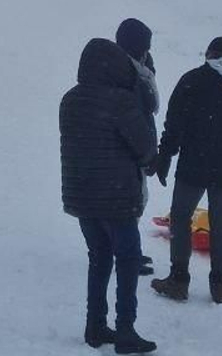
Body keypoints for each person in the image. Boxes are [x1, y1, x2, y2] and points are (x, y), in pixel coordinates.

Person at [59, 38, 158, 355]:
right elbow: (145, 148)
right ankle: (126, 329)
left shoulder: (70, 100)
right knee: (128, 261)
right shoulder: (120, 101)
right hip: (117, 198)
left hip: (83, 197)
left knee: (99, 258)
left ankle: (95, 325)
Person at [150, 37, 222, 305]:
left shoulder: (193, 81)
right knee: (221, 224)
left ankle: (179, 280)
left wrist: (165, 156)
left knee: (180, 218)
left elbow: (174, 124)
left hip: (194, 164)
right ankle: (219, 285)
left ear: (210, 54)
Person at [115, 19, 159, 277]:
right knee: (129, 203)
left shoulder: (139, 70)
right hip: (127, 146)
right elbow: (133, 112)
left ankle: (129, 251)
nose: (148, 50)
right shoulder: (125, 72)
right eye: (145, 46)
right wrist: (145, 149)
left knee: (136, 200)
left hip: (136, 141)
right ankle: (126, 254)